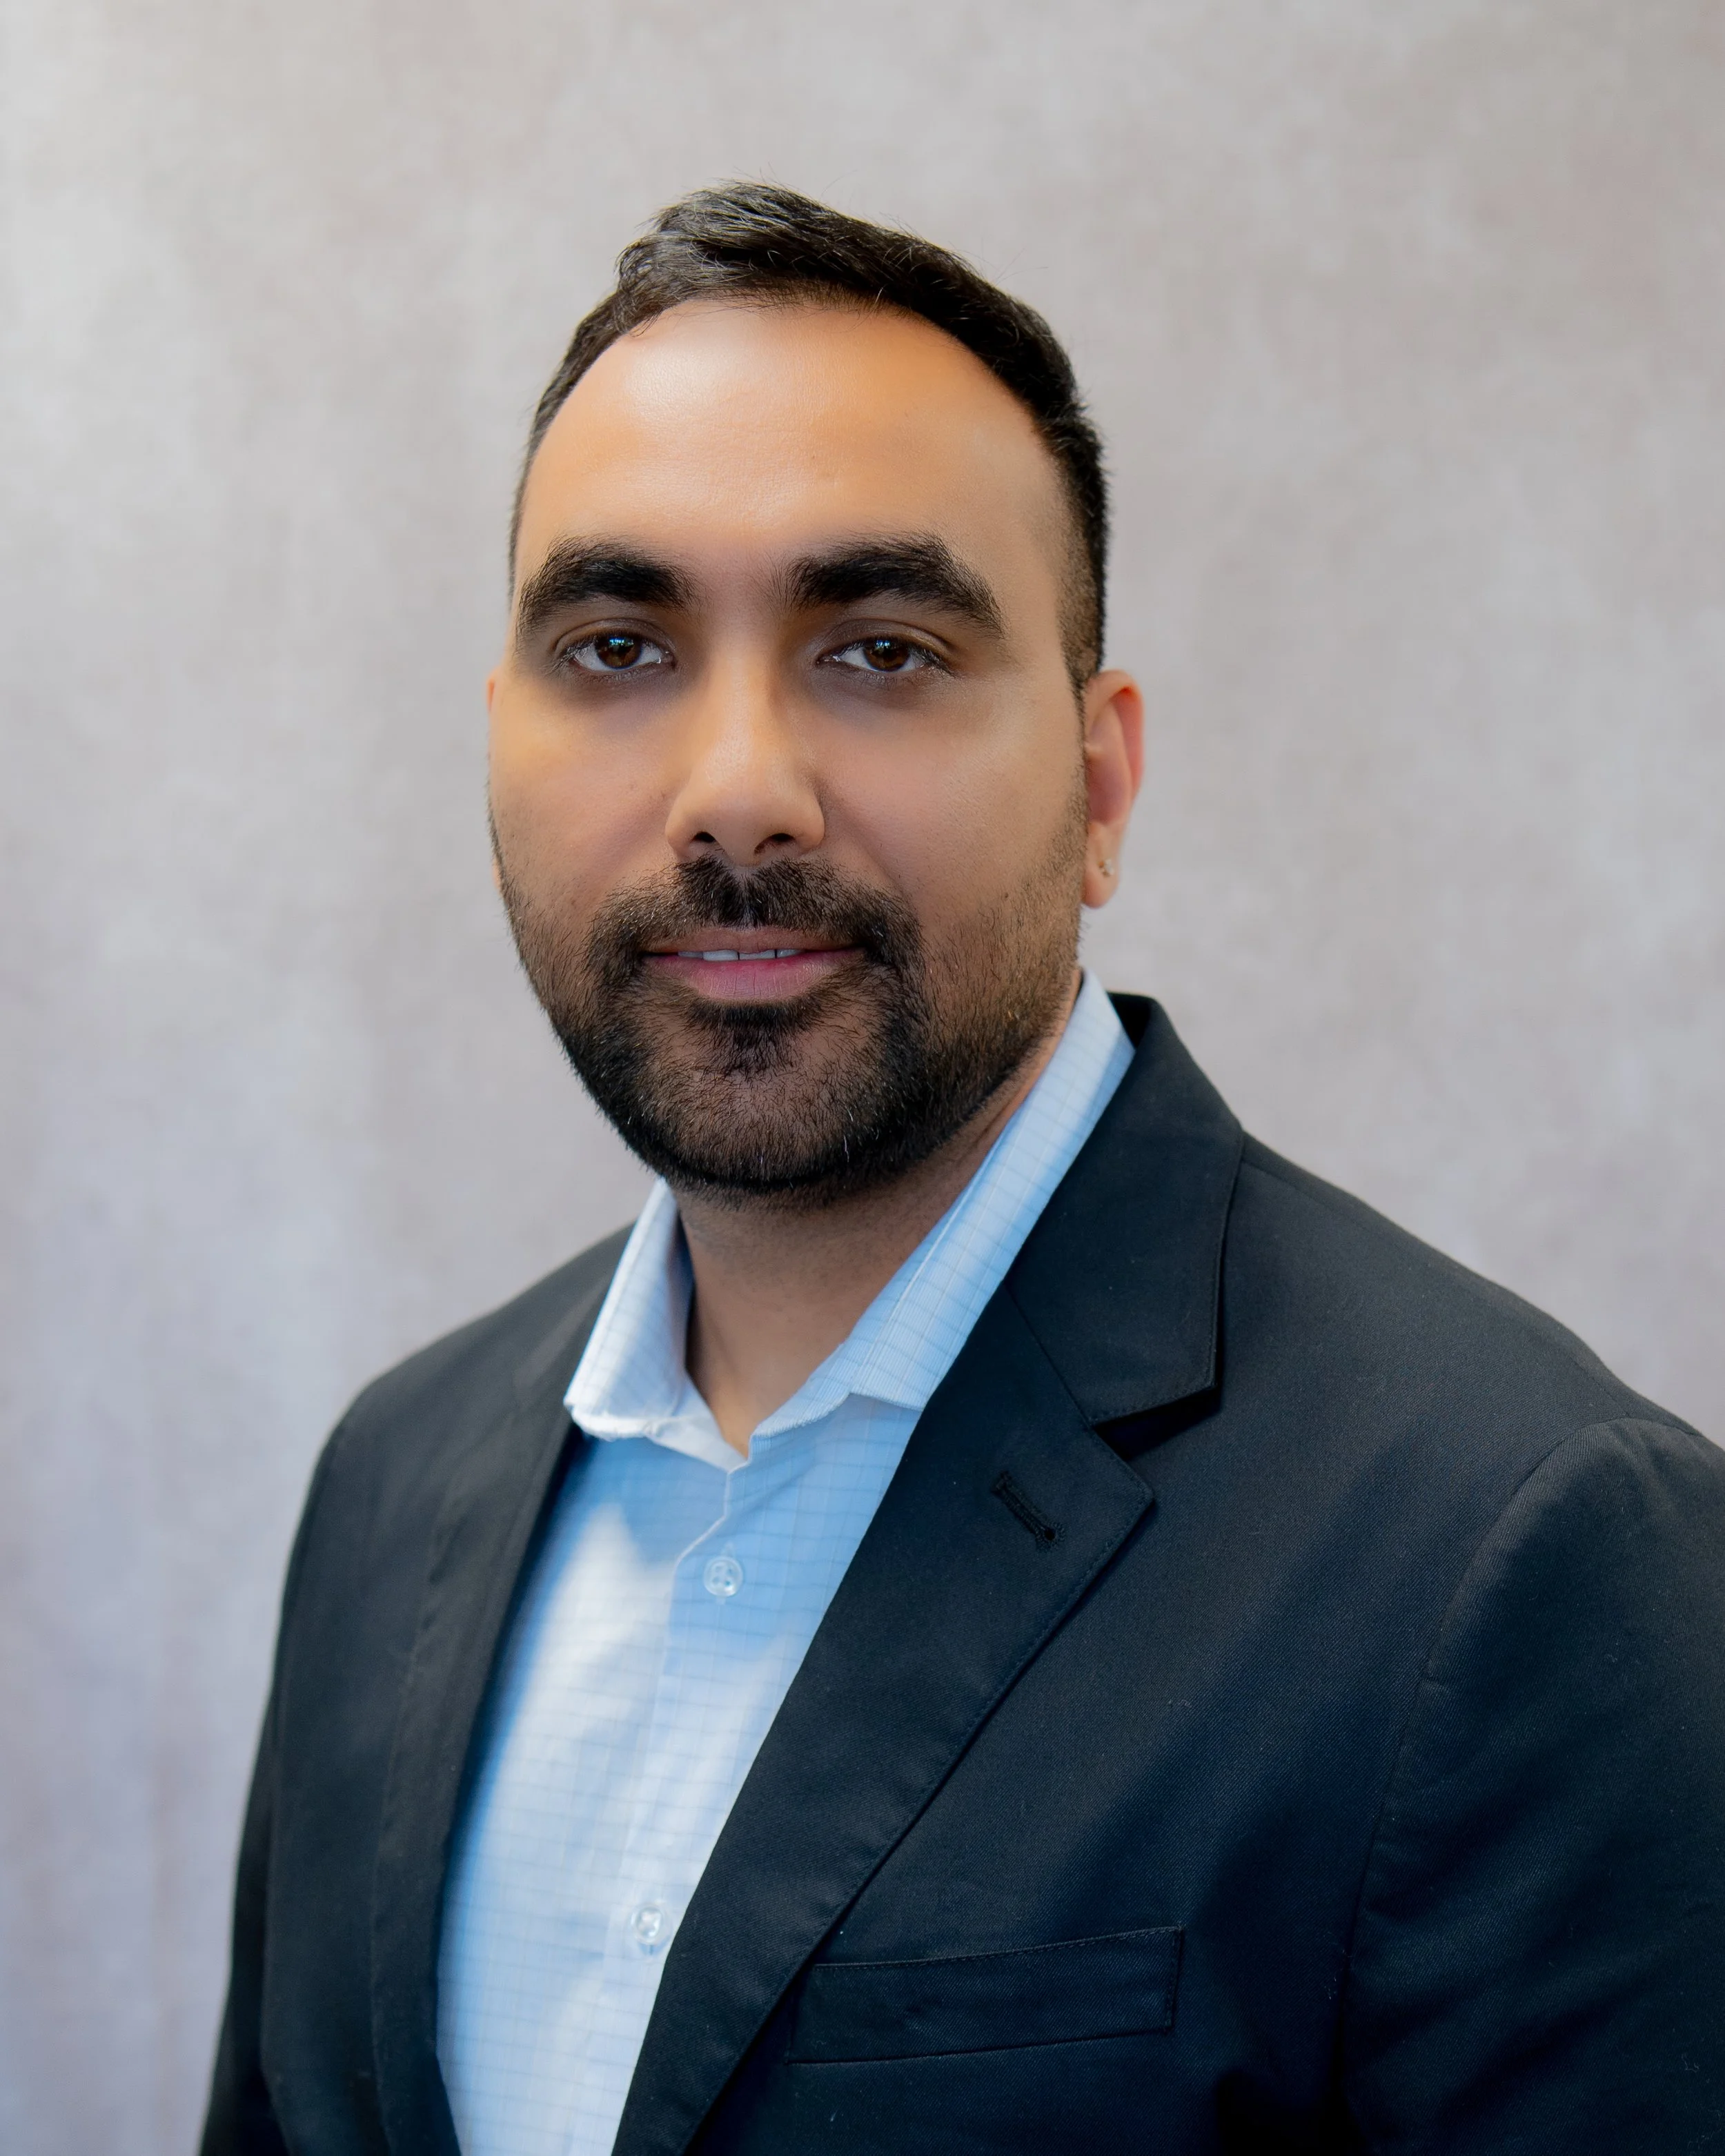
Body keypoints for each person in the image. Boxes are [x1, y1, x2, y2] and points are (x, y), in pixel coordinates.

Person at [200, 183, 1725, 2156]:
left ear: (1100, 782)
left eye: (882, 650)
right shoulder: (388, 1488)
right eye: (617, 645)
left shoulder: (1525, 1550)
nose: (735, 790)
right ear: (499, 745)